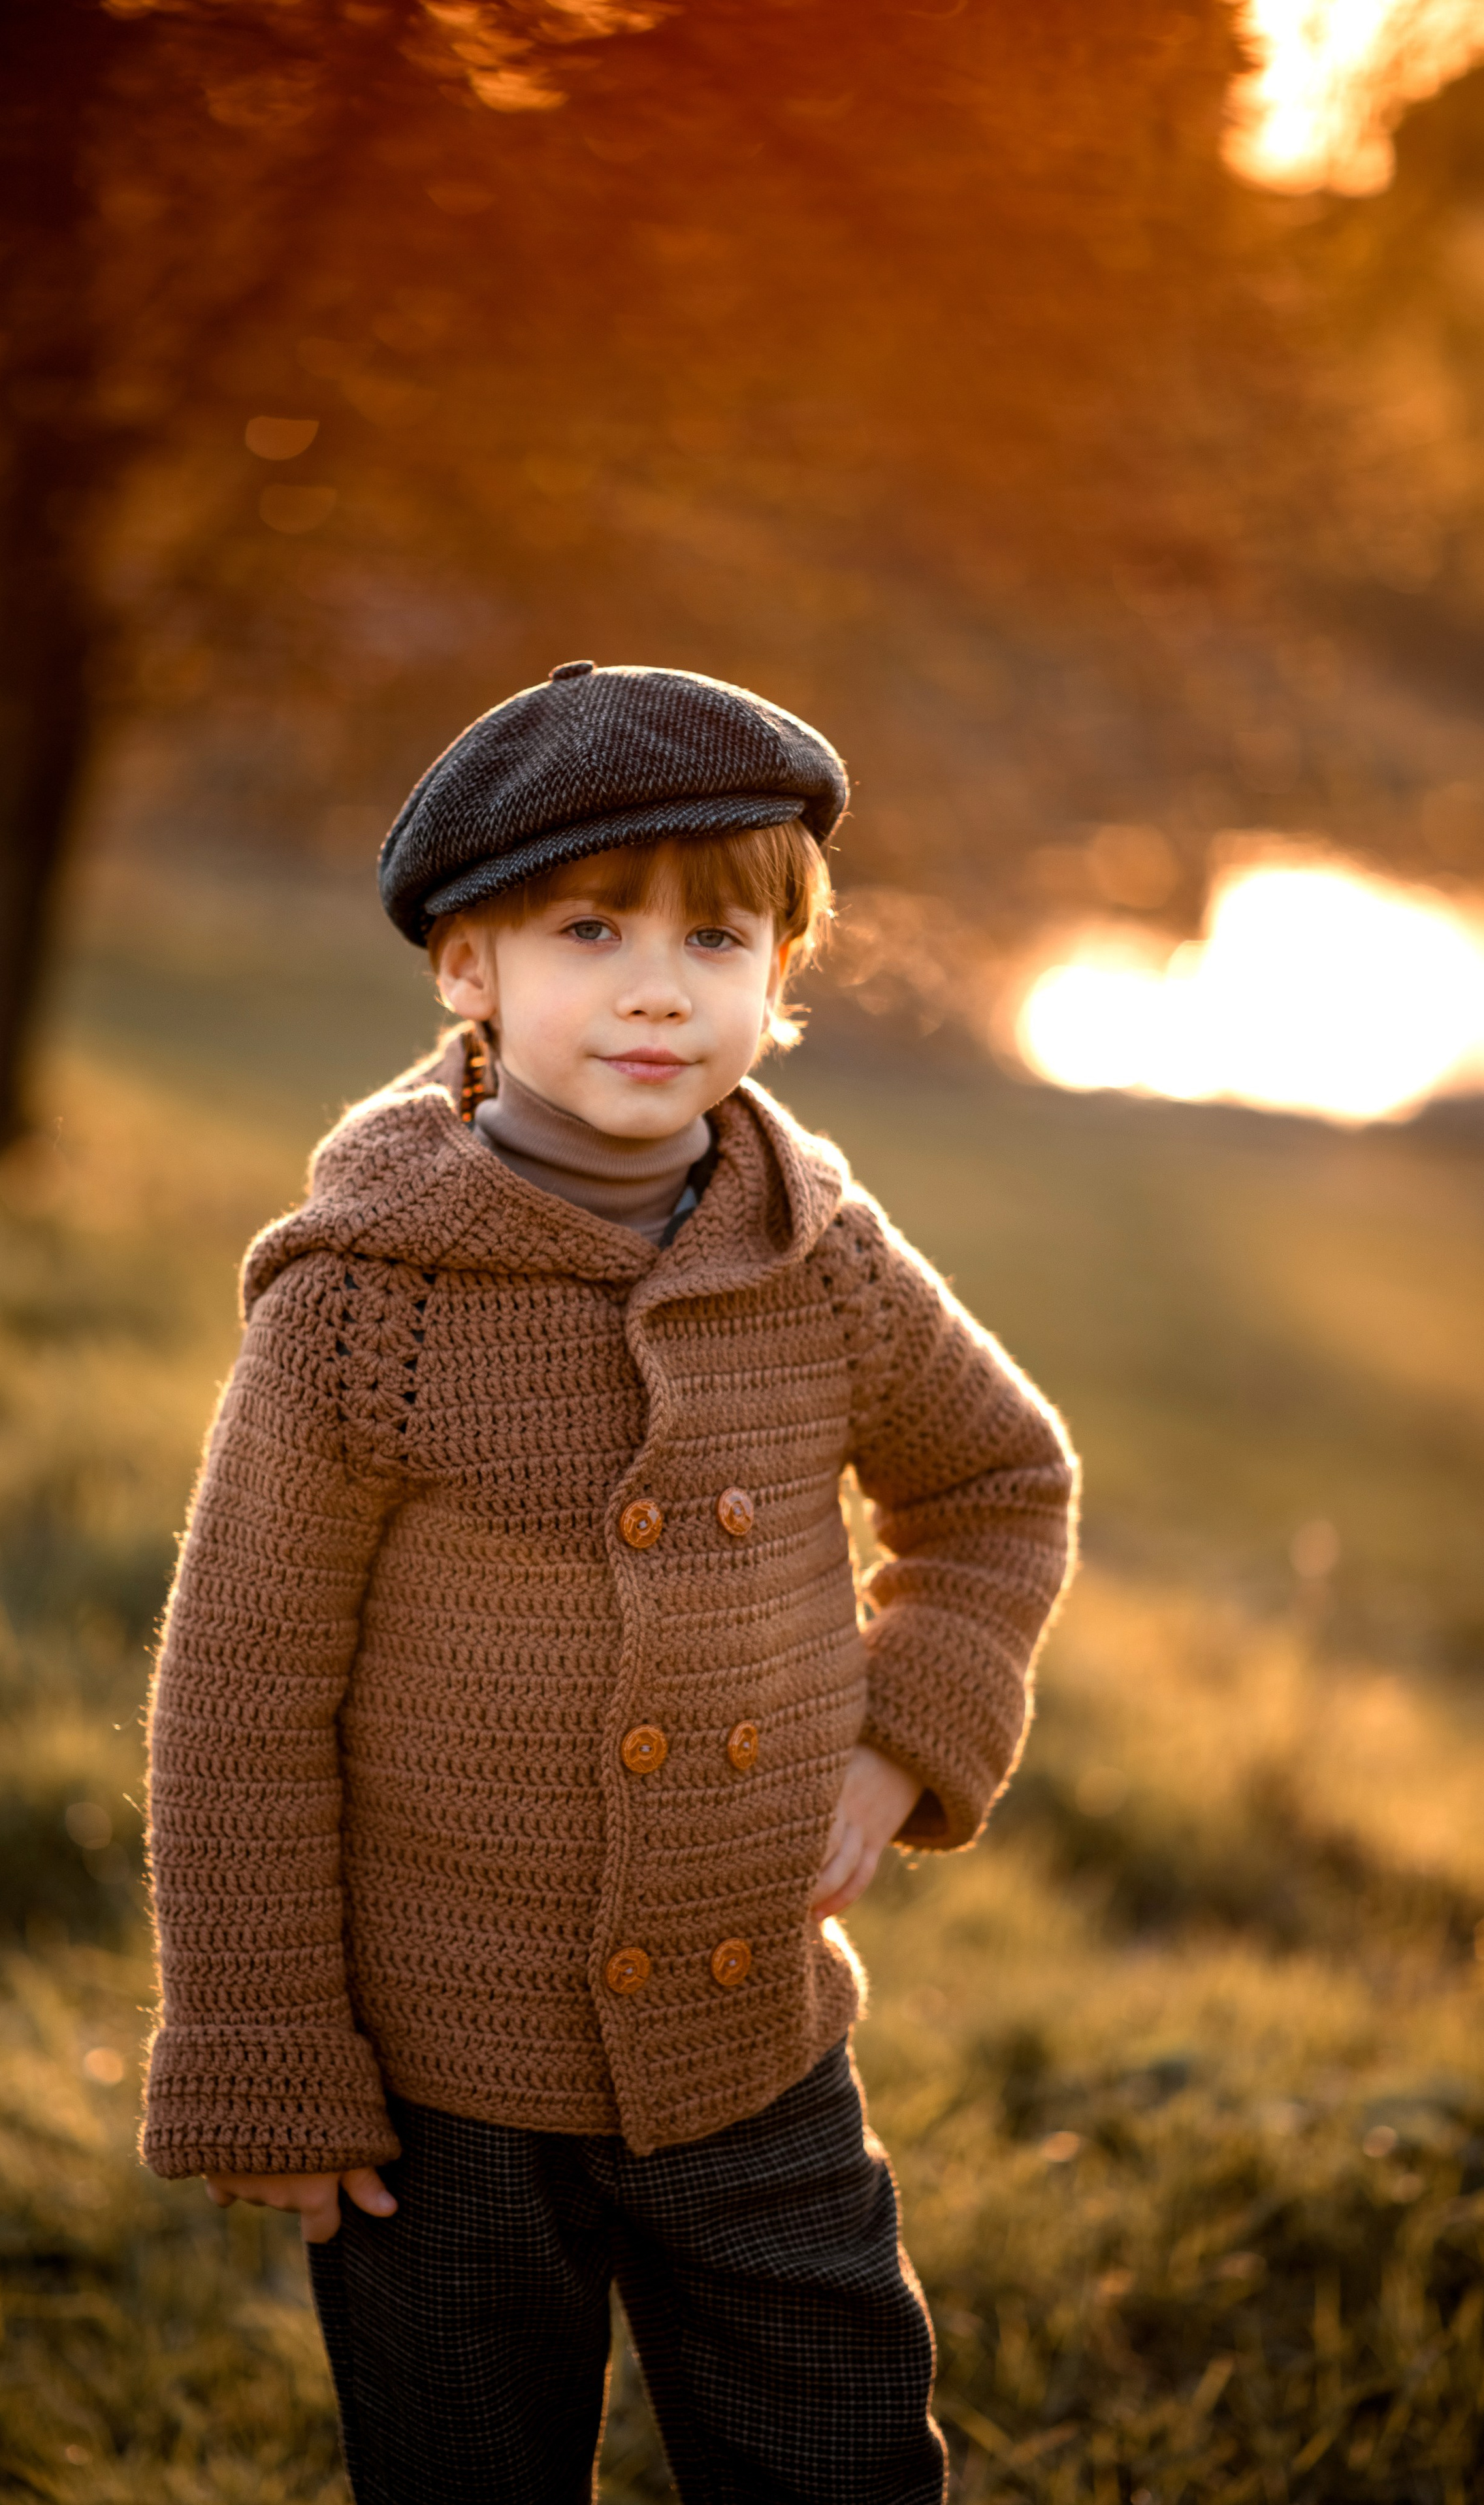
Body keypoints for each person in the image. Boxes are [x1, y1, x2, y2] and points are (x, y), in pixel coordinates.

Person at [140, 661, 1078, 2505]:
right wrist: (267, 2046)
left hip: (757, 2042)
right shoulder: (366, 1302)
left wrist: (904, 1737)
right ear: (467, 972)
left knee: (838, 2452)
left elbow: (997, 1481)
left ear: (781, 976)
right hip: (439, 2081)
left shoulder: (821, 1261)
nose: (661, 984)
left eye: (720, 936)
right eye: (591, 928)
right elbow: (238, 1689)